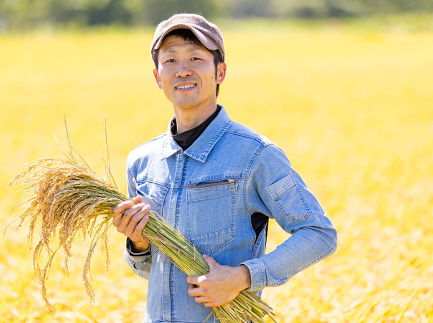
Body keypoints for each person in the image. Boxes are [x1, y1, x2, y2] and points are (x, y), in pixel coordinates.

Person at [112, 13, 337, 322]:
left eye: (195, 58)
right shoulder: (141, 162)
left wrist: (242, 277)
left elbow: (318, 233)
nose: (183, 70)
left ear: (220, 72)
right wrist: (137, 243)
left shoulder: (255, 154)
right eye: (171, 60)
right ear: (157, 77)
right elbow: (149, 270)